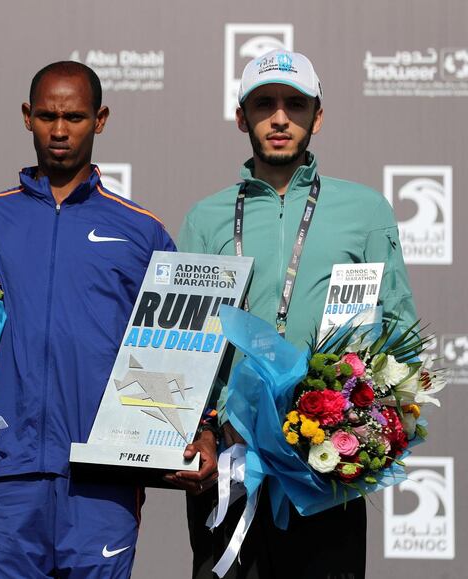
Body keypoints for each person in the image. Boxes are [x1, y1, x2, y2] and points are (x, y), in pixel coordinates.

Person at [177, 50, 417, 579]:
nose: (280, 117)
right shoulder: (207, 217)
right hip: (233, 466)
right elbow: (184, 344)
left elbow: (399, 332)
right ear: (242, 117)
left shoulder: (366, 211)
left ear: (318, 116)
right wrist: (205, 429)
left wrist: (375, 429)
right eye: (264, 104)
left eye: (295, 104)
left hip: (330, 468)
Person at [0, 61, 176, 578]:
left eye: (74, 117)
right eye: (47, 116)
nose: (59, 130)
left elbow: (176, 349)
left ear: (100, 120)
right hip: (8, 469)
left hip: (104, 473)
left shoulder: (142, 230)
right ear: (27, 117)